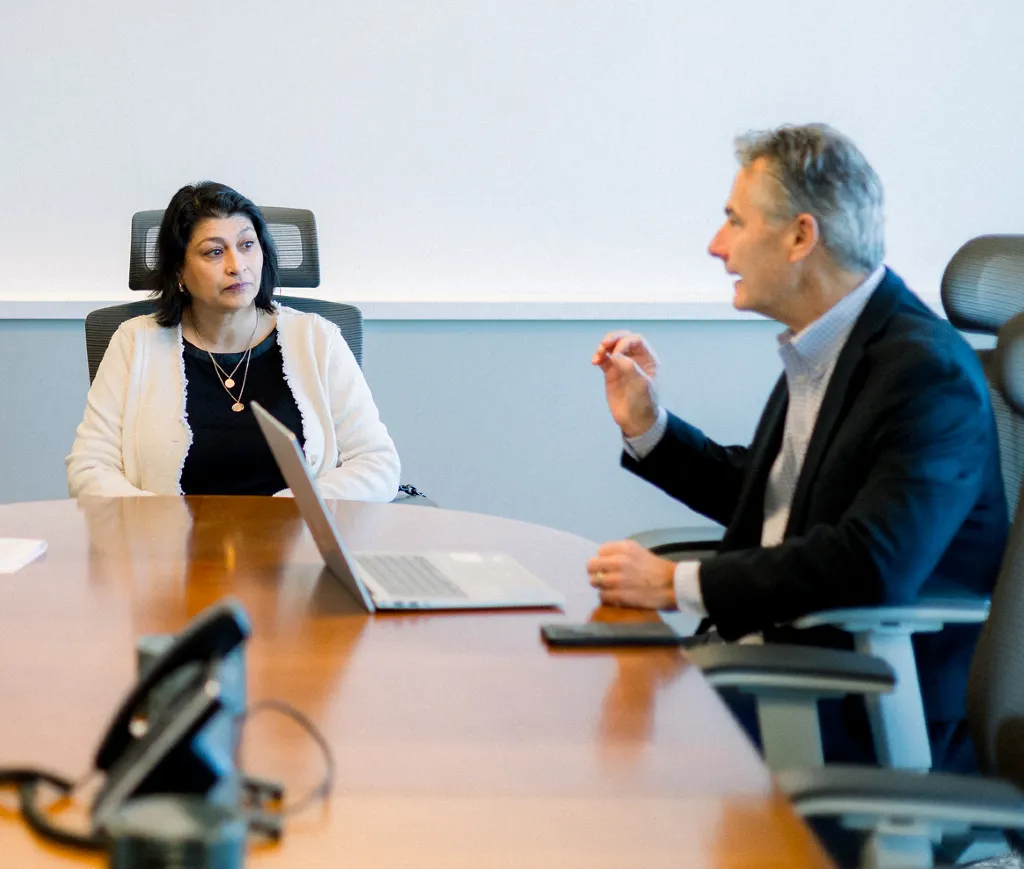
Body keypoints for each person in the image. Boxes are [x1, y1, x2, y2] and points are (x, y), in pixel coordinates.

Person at [587, 124, 1007, 772]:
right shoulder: (825, 346)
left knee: (596, 757)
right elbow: (777, 501)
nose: (715, 244)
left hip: (861, 703)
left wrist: (678, 582)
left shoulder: (927, 372)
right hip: (776, 667)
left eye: (734, 221)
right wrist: (650, 424)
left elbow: (874, 561)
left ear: (801, 236)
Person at [67, 182, 401, 500]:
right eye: (214, 252)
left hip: (296, 546)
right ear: (179, 272)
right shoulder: (133, 343)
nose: (236, 266)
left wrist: (290, 510)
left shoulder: (317, 339)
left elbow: (377, 464)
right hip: (172, 550)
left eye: (246, 245)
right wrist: (160, 521)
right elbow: (89, 469)